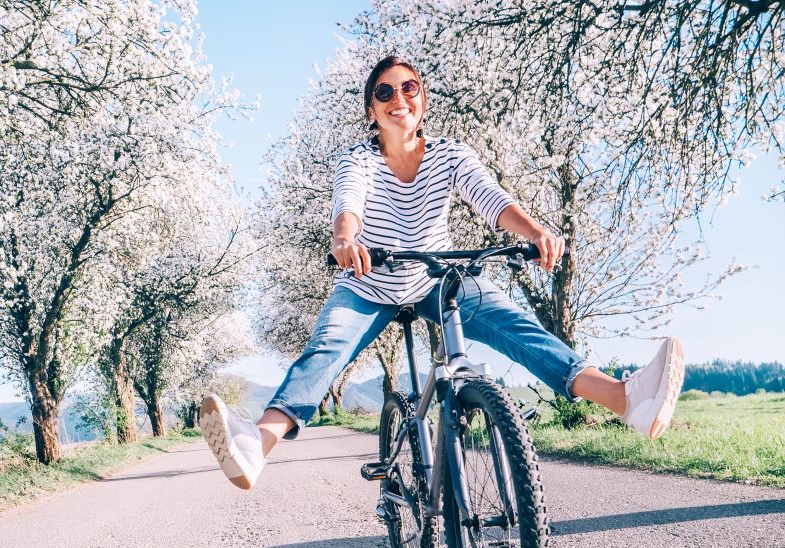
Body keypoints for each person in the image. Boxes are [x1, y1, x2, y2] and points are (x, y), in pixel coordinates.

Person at [200, 56, 684, 490]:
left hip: (437, 277)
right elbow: (348, 205)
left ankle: (625, 399)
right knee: (326, 350)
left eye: (408, 88)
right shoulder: (359, 159)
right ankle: (256, 446)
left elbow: (490, 197)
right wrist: (345, 241)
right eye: (384, 92)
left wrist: (536, 231)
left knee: (517, 327)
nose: (398, 99)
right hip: (370, 283)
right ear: (372, 110)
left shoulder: (451, 154)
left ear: (423, 100)